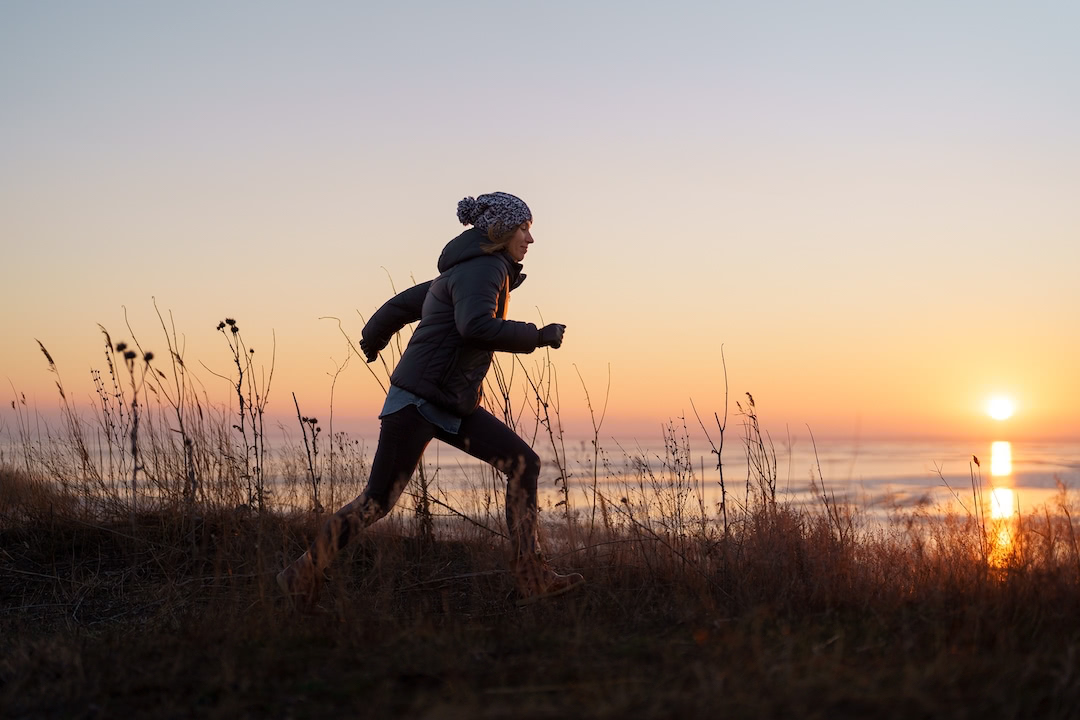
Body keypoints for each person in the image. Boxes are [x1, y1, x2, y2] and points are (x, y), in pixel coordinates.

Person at [277, 191, 584, 608]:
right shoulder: (486, 268)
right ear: (501, 231)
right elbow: (475, 326)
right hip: (421, 401)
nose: (530, 239)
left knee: (521, 464)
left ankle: (532, 577)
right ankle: (302, 572)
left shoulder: (465, 270)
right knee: (377, 501)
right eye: (524, 229)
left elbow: (405, 303)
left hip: (449, 402)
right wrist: (537, 336)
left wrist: (374, 336)